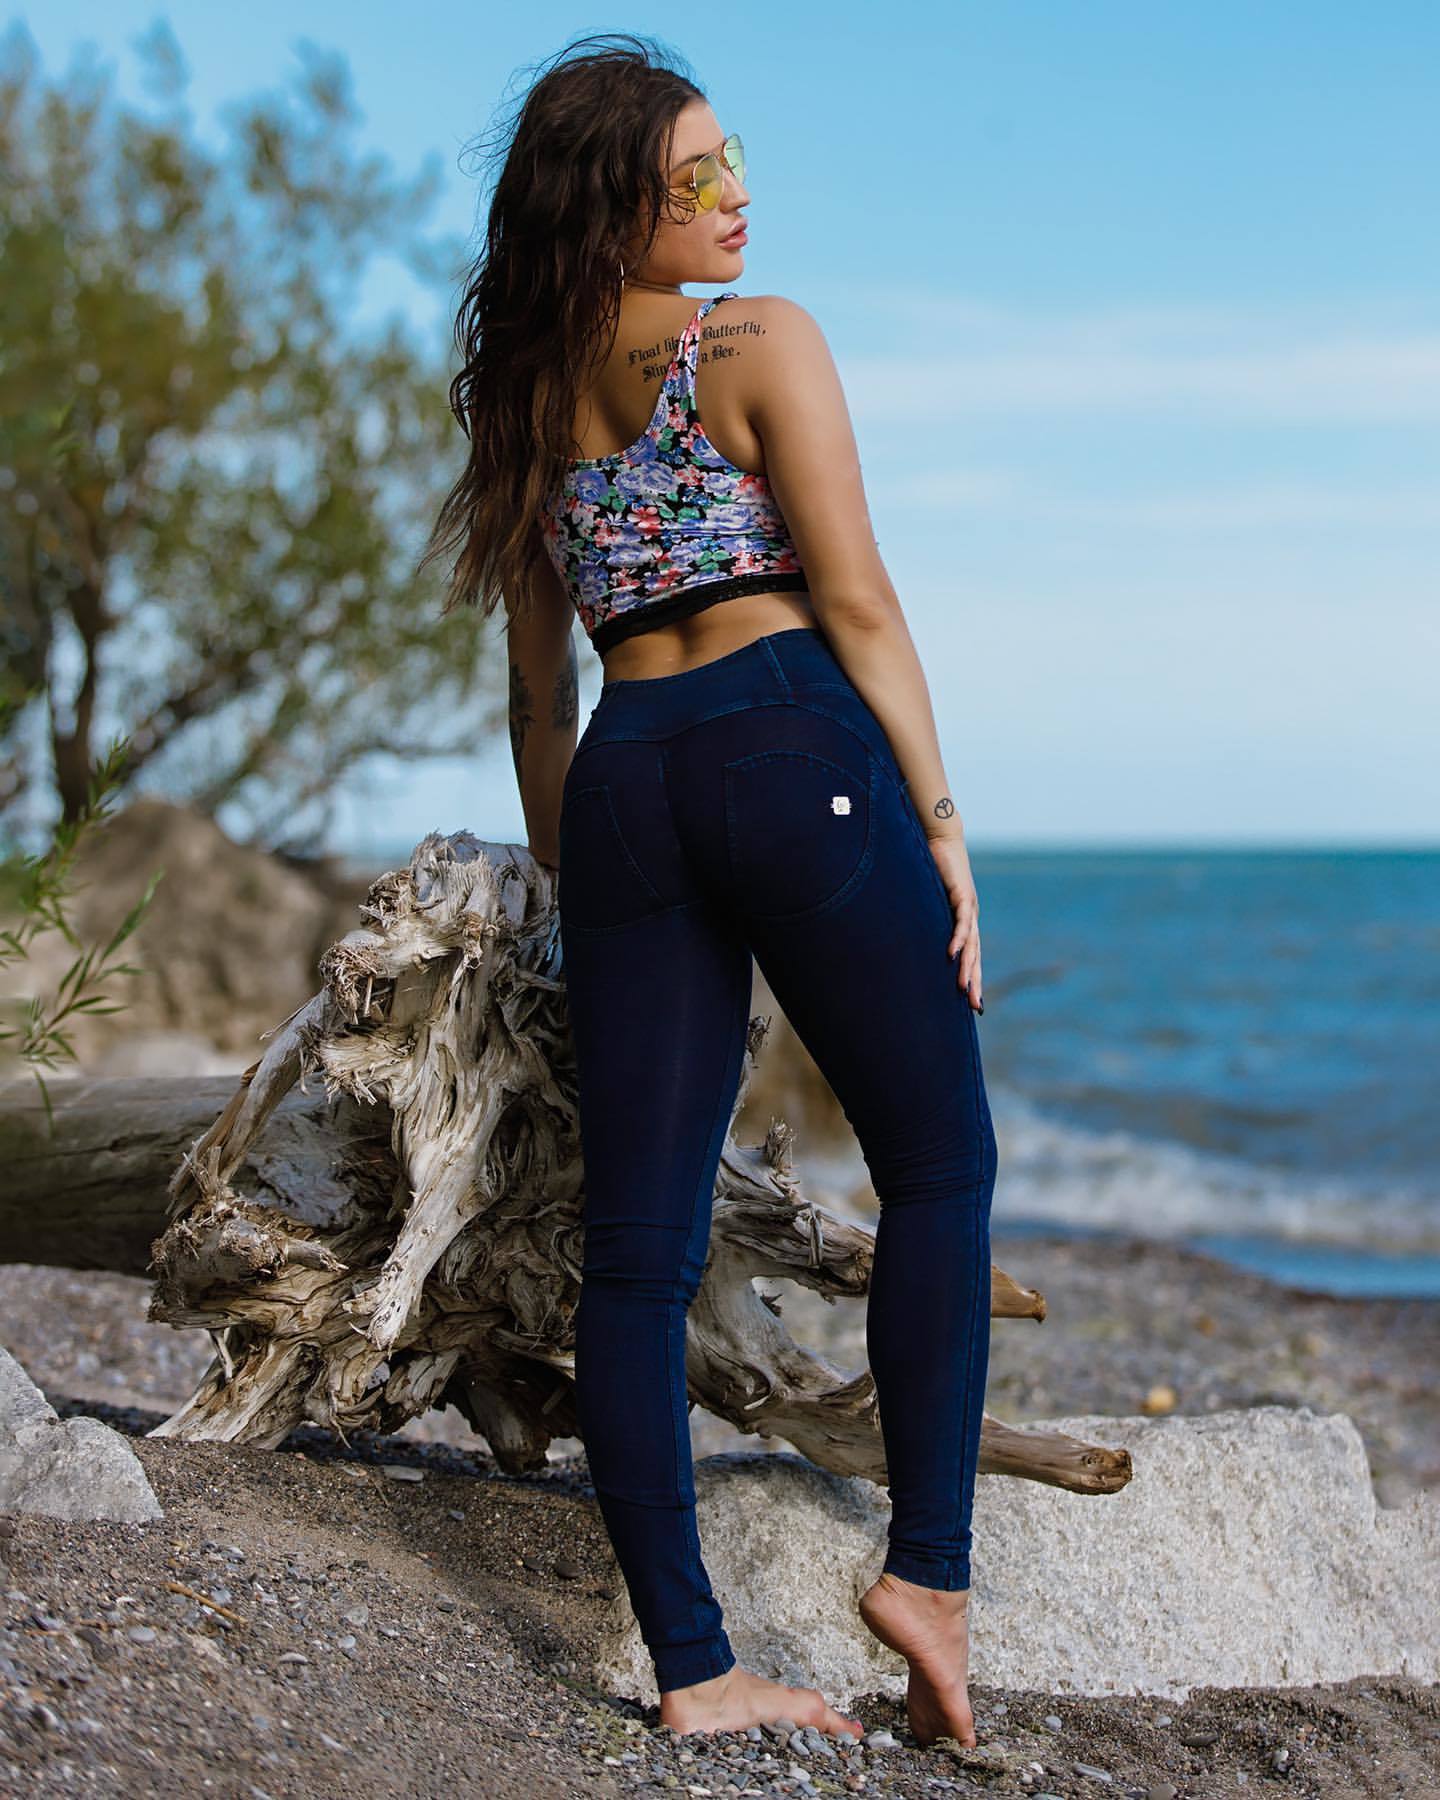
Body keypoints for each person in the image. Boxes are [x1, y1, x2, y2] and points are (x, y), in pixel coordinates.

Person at [418, 32, 999, 1748]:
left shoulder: (527, 400)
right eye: (698, 177)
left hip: (626, 781)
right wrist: (943, 825)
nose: (738, 196)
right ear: (620, 205)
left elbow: (540, 700)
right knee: (939, 1164)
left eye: (733, 162)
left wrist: (572, 878)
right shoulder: (758, 341)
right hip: (785, 739)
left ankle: (695, 1669)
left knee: (637, 1254)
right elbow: (860, 600)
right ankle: (928, 1578)